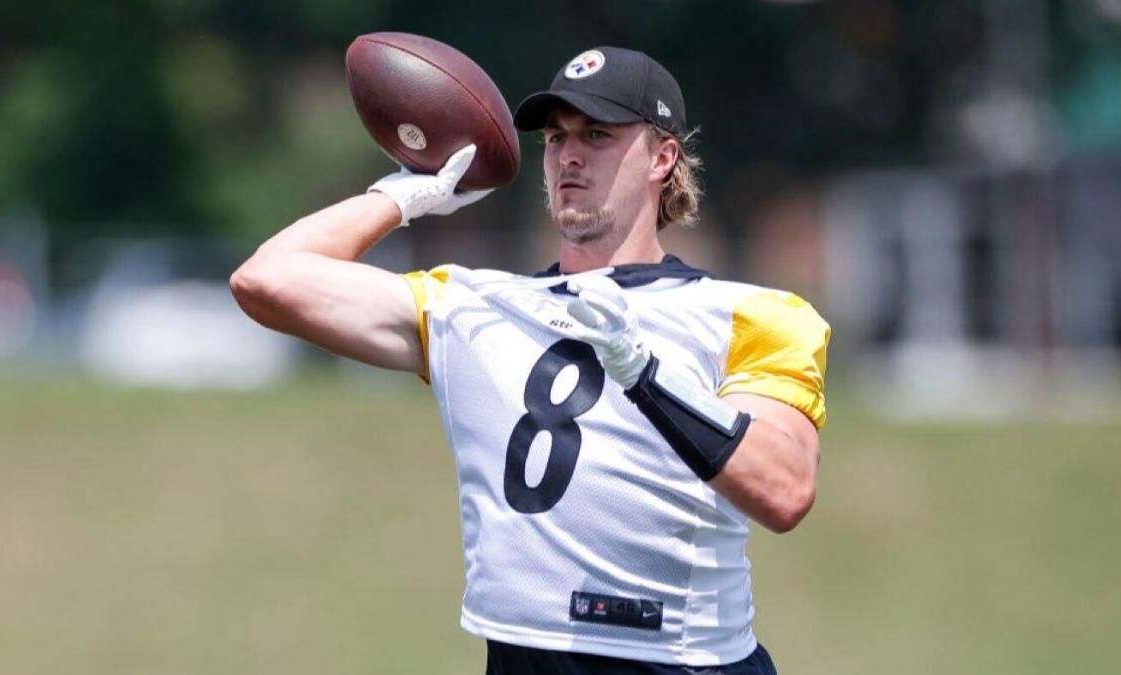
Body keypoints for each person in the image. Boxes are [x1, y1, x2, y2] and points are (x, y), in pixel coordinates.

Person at [231, 46, 829, 674]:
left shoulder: (750, 314)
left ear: (663, 156)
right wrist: (404, 196)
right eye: (554, 137)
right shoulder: (475, 307)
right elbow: (265, 279)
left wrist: (644, 374)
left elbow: (783, 490)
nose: (568, 155)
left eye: (597, 134)